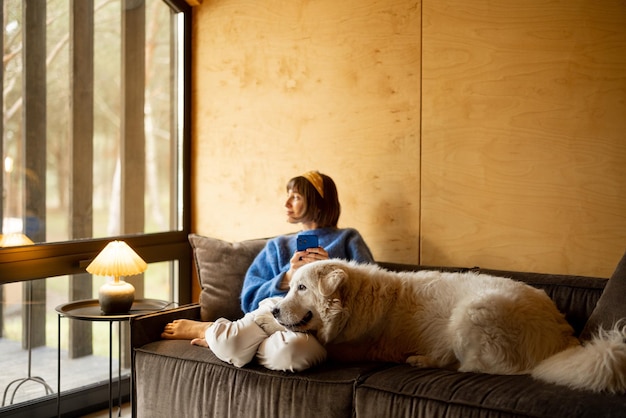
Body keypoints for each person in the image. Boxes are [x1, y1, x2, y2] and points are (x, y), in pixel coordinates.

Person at [161, 171, 374, 371]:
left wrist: (331, 271)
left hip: (315, 324)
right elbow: (249, 297)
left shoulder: (347, 239)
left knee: (293, 355)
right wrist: (288, 277)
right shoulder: (278, 246)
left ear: (319, 203)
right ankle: (210, 330)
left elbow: (368, 292)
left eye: (296, 197)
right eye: (288, 196)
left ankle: (225, 339)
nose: (286, 203)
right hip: (276, 309)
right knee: (232, 341)